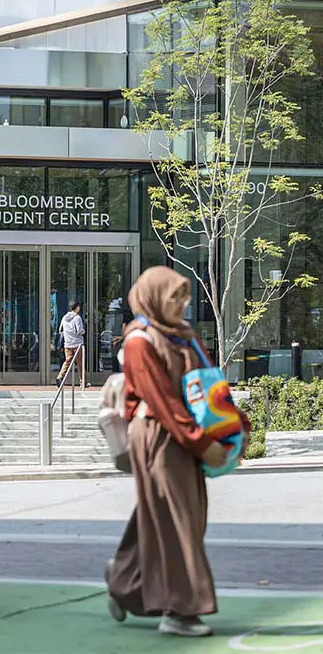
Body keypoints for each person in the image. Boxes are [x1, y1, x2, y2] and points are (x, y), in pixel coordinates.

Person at [105, 266, 247, 639]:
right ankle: (180, 610)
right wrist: (201, 442)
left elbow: (209, 386)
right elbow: (162, 401)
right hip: (158, 434)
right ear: (153, 298)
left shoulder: (183, 335)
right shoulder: (139, 342)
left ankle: (124, 580)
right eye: (174, 297)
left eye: (184, 297)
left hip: (183, 431)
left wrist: (232, 428)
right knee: (178, 517)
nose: (182, 304)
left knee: (166, 513)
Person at [56, 302, 86, 389]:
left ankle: (60, 376)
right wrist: (83, 331)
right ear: (77, 308)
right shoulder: (77, 318)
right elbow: (79, 331)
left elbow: (60, 330)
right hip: (77, 344)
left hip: (67, 344)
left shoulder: (64, 317)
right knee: (80, 363)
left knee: (67, 361)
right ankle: (82, 382)